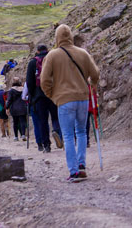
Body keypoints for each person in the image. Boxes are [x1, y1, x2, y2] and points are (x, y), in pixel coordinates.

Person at [41, 24, 100, 183]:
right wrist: (91, 83)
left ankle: (73, 172)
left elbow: (44, 80)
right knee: (81, 132)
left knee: (67, 136)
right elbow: (95, 74)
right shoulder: (83, 53)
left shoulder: (53, 55)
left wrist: (53, 96)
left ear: (57, 37)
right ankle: (81, 165)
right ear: (71, 36)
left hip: (64, 100)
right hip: (83, 98)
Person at [26, 44, 62, 153]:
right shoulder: (53, 58)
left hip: (39, 96)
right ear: (47, 50)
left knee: (43, 121)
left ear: (37, 51)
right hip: (53, 93)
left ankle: (47, 145)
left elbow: (30, 81)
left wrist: (32, 95)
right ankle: (57, 133)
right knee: (56, 117)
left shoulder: (33, 62)